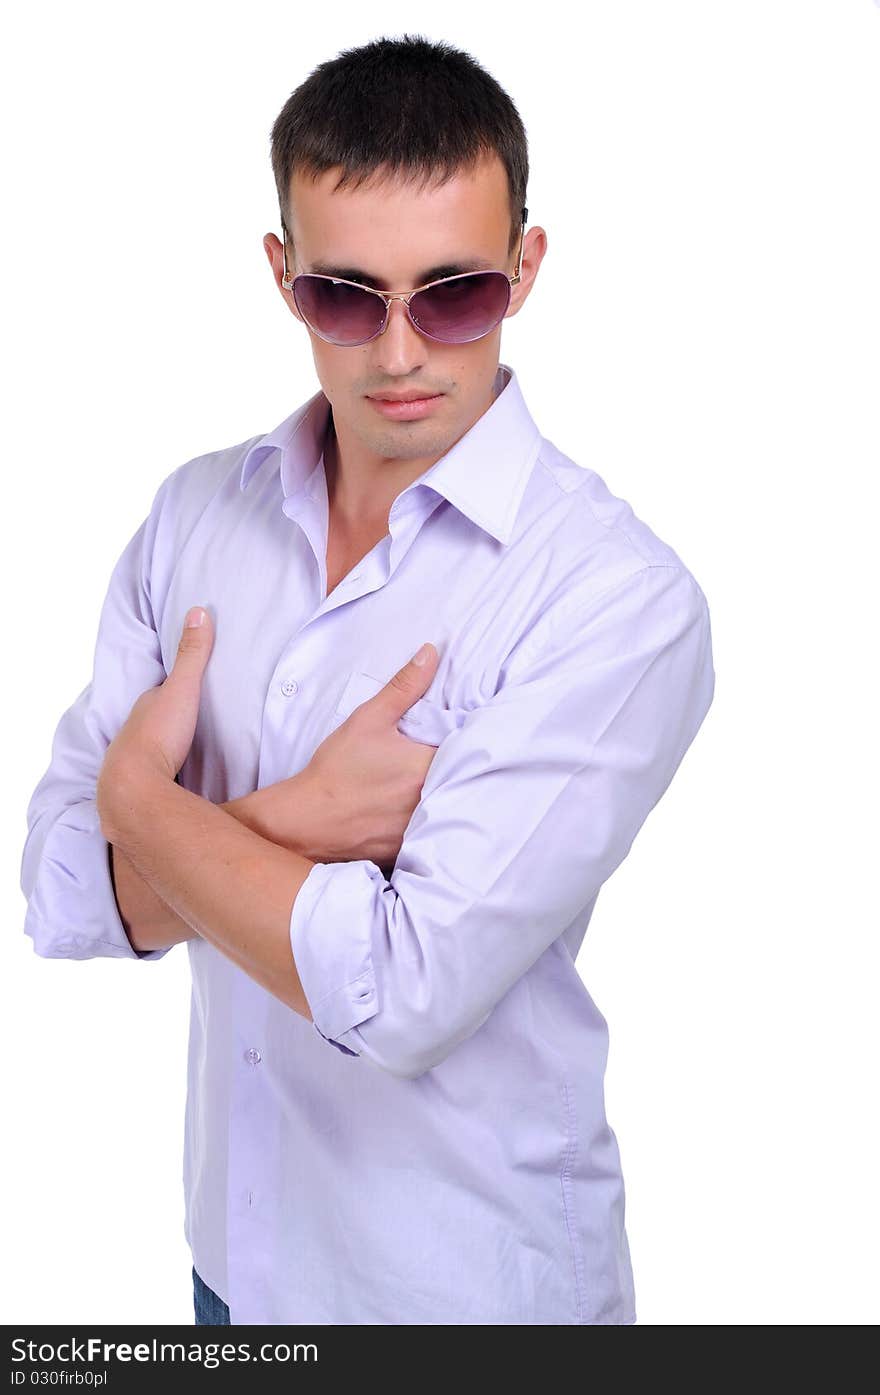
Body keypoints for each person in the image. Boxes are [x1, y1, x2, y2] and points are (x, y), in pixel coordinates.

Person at [20, 34, 715, 1326]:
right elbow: (62, 896)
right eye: (348, 295)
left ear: (527, 269)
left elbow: (398, 993)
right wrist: (287, 823)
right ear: (282, 277)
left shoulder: (614, 599)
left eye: (451, 294)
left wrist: (142, 801)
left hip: (467, 1299)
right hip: (231, 1282)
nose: (399, 351)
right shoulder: (194, 520)